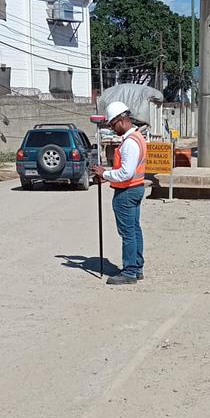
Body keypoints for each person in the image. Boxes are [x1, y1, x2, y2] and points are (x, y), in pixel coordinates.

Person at [92, 102, 147, 286]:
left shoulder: (130, 143)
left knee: (128, 233)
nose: (112, 128)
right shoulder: (137, 137)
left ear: (122, 120)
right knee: (134, 230)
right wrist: (108, 176)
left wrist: (105, 174)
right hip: (135, 188)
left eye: (113, 124)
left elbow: (126, 173)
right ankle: (137, 268)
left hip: (127, 192)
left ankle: (130, 272)